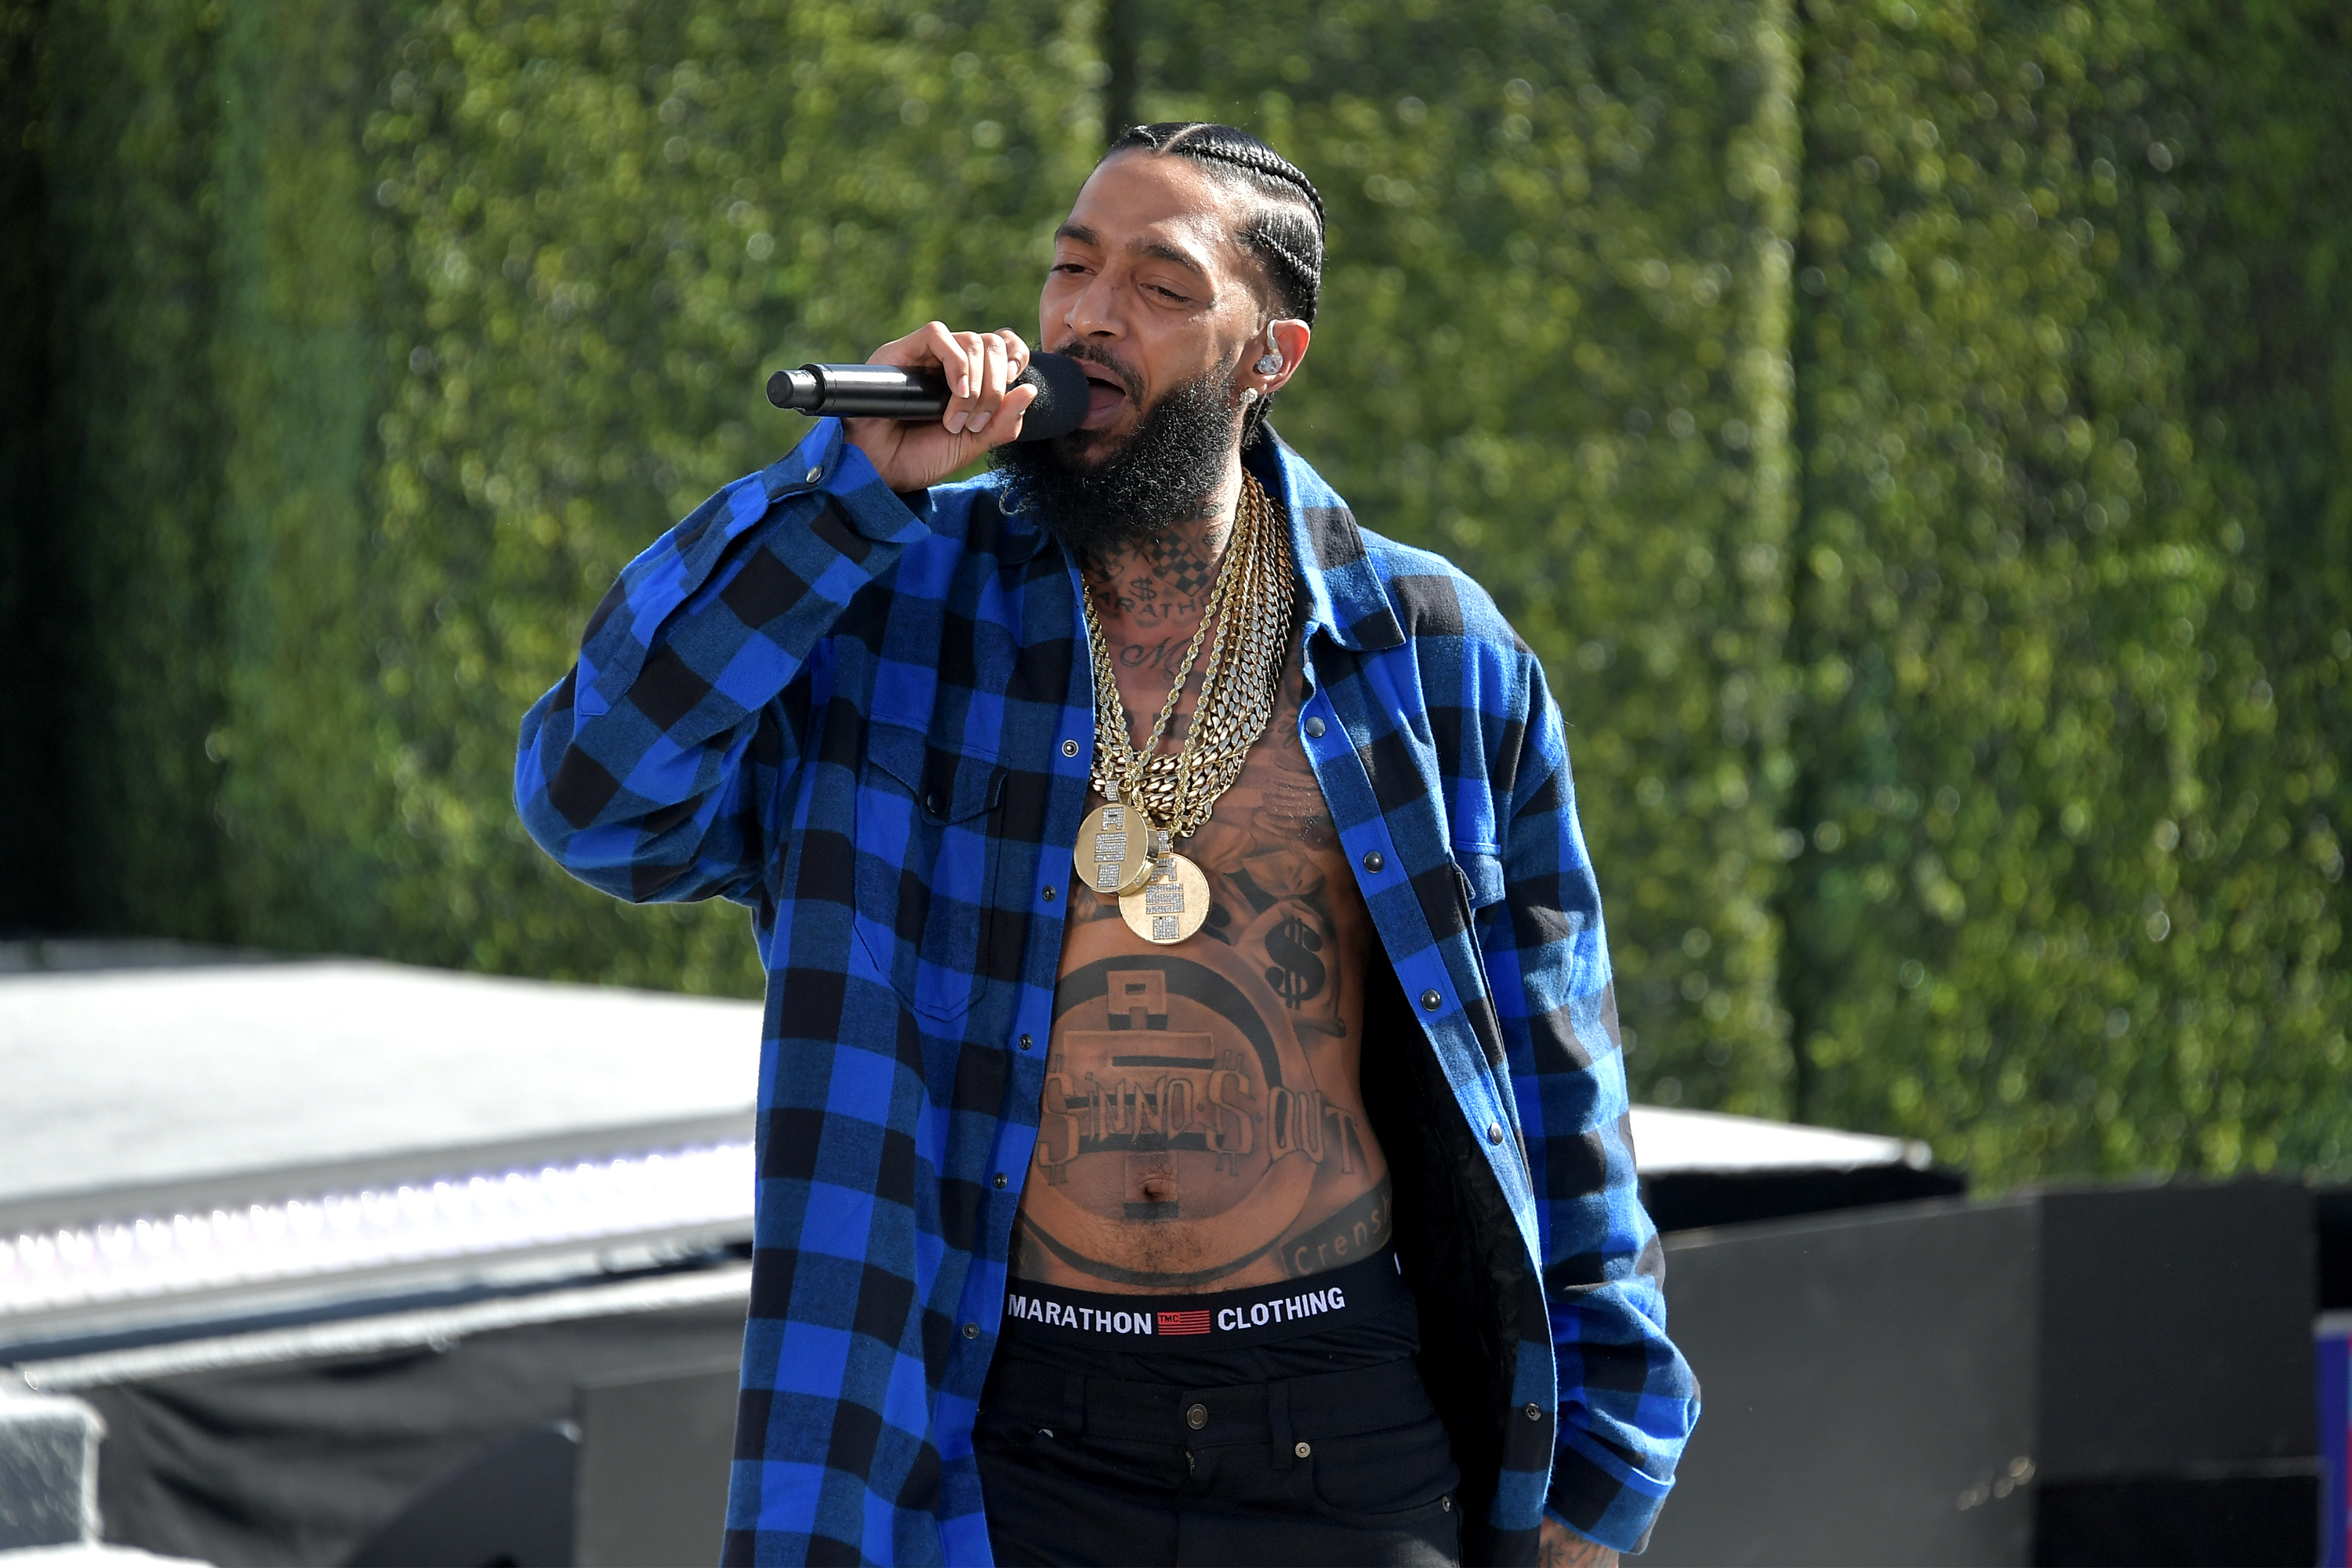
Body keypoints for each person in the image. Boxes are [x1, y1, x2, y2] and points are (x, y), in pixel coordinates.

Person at [518, 121, 1697, 1567]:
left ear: (1272, 357)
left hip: (1339, 1423)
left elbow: (1560, 1076)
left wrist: (1606, 1468)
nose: (1087, 315)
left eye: (1160, 285)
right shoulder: (886, 606)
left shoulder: (1435, 654)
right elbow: (591, 796)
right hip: (991, 1425)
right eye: (1072, 268)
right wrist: (841, 496)